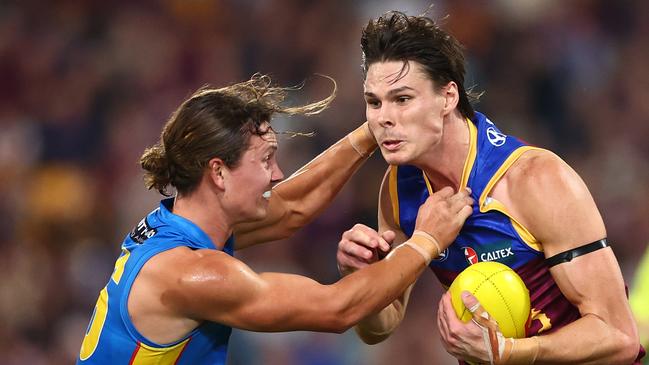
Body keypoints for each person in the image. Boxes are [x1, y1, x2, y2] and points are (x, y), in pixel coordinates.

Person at [76, 74, 474, 364]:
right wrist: (427, 240)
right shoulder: (193, 274)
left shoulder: (179, 224)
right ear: (218, 172)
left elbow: (291, 208)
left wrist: (374, 129)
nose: (278, 173)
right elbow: (337, 309)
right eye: (265, 159)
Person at [336, 11, 644, 364]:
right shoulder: (398, 188)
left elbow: (620, 337)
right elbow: (380, 327)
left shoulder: (536, 179)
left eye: (402, 99)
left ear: (448, 97)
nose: (382, 118)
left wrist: (511, 353)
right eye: (374, 102)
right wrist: (364, 278)